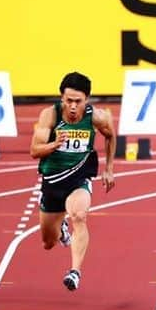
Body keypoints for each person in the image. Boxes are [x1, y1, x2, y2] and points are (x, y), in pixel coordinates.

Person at [30, 71, 116, 291]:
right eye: (68, 101)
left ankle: (75, 272)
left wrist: (108, 169)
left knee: (79, 215)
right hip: (52, 182)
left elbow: (110, 134)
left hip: (79, 179)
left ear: (86, 100)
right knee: (48, 243)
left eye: (78, 101)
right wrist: (53, 145)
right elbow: (34, 151)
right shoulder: (50, 116)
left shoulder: (95, 117)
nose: (73, 106)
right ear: (62, 99)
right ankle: (61, 232)